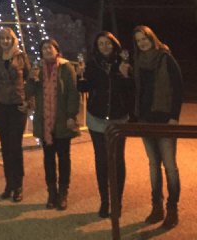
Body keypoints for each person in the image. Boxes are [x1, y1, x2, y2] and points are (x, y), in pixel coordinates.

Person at [77, 31, 132, 218]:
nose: (105, 46)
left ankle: (118, 201)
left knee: (117, 160)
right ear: (97, 47)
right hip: (97, 117)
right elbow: (84, 89)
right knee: (101, 160)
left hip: (118, 118)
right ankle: (105, 201)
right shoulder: (92, 65)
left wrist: (126, 77)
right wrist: (80, 76)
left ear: (114, 44)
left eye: (108, 43)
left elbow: (131, 90)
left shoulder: (123, 63)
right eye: (101, 44)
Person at [133, 25, 183, 230]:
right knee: (153, 164)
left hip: (164, 119)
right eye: (138, 40)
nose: (142, 43)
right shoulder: (138, 62)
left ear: (152, 37)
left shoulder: (165, 57)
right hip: (145, 119)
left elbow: (178, 87)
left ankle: (172, 209)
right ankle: (157, 206)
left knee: (169, 166)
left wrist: (174, 117)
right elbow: (137, 90)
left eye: (144, 38)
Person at [27, 37, 80, 211]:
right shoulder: (37, 70)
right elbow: (28, 92)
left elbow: (73, 92)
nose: (48, 50)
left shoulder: (66, 68)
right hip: (45, 121)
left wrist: (72, 115)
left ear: (57, 50)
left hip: (62, 119)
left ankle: (63, 192)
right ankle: (52, 192)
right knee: (48, 158)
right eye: (44, 48)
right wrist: (32, 79)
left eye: (50, 48)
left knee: (64, 157)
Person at [0, 27, 31, 202]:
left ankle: (18, 184)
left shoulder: (21, 57)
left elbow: (30, 81)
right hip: (0, 104)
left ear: (13, 40)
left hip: (17, 106)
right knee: (5, 145)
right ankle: (9, 183)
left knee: (15, 145)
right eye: (2, 38)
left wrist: (29, 102)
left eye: (8, 39)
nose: (5, 41)